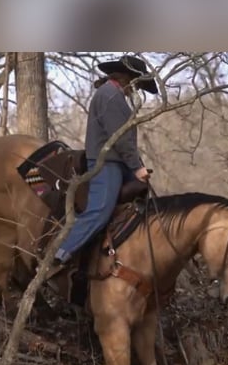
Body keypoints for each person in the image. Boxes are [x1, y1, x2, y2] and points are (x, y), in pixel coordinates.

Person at [47, 55, 158, 277]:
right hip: (107, 163)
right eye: (137, 83)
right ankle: (60, 253)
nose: (137, 89)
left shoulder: (114, 95)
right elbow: (120, 138)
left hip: (118, 161)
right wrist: (136, 167)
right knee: (100, 209)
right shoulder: (110, 96)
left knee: (143, 202)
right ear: (128, 78)